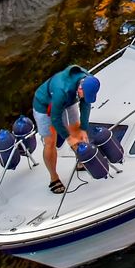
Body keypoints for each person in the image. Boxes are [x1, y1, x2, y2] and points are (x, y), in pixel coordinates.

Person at [31, 65, 100, 194]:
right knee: (50, 141)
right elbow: (55, 118)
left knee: (77, 131)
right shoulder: (61, 89)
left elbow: (86, 104)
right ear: (80, 88)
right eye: (83, 94)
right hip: (45, 106)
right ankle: (54, 178)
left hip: (69, 100)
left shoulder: (87, 80)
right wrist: (69, 138)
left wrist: (84, 128)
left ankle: (81, 161)